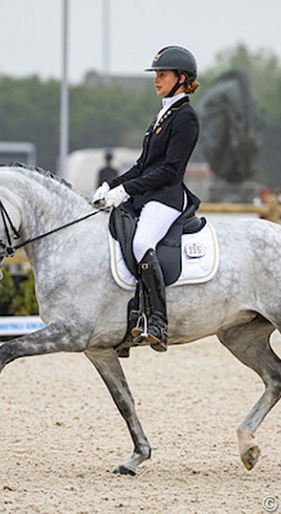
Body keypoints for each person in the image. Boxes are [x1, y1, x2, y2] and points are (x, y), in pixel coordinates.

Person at [92, 45, 201, 352]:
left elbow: (169, 170)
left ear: (181, 78)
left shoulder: (186, 118)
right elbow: (142, 165)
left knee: (141, 244)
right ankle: (129, 317)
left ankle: (157, 321)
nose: (156, 79)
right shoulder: (163, 114)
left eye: (162, 75)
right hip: (148, 195)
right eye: (156, 74)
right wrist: (110, 184)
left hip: (167, 196)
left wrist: (127, 191)